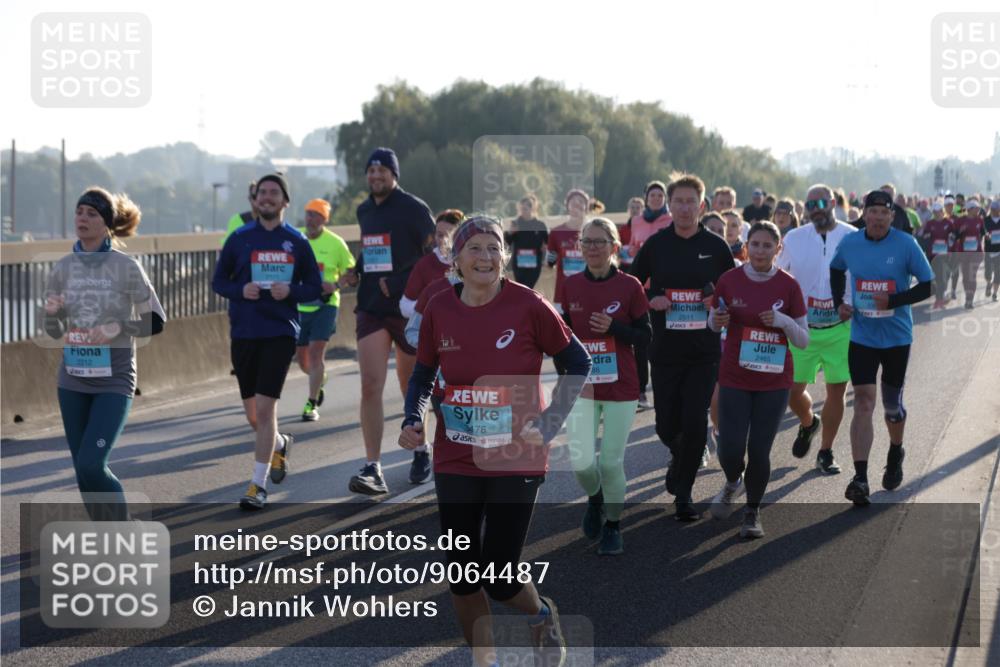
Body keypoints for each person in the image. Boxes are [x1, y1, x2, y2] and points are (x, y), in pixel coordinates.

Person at [400, 216, 589, 667]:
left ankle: (541, 614)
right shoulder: (441, 308)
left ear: (504, 257)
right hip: (457, 452)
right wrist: (414, 417)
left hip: (517, 451)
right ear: (456, 259)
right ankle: (484, 660)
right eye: (475, 249)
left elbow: (577, 362)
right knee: (463, 572)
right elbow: (424, 371)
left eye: (493, 249)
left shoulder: (529, 305)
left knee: (500, 574)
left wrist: (549, 422)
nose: (485, 257)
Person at [43, 187, 166, 521]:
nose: (82, 218)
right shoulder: (63, 267)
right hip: (72, 379)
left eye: (92, 213)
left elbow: (156, 321)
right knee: (83, 470)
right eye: (79, 211)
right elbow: (53, 331)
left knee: (92, 462)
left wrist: (118, 328)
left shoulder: (126, 267)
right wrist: (53, 313)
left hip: (114, 379)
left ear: (107, 223)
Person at [212, 173, 322, 509]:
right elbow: (219, 281)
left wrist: (291, 291)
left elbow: (314, 288)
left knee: (265, 407)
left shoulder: (297, 242)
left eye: (275, 193)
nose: (268, 198)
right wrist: (238, 290)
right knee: (254, 416)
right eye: (263, 193)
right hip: (244, 332)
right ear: (255, 199)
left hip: (279, 331)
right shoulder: (240, 238)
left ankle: (257, 486)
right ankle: (279, 443)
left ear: (285, 201)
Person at [631, 173, 736, 521]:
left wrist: (716, 301)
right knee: (666, 425)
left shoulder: (717, 247)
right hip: (664, 350)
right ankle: (679, 454)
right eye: (679, 201)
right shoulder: (657, 244)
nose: (685, 208)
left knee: (694, 423)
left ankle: (685, 494)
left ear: (702, 206)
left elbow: (732, 294)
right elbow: (632, 286)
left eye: (692, 201)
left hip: (704, 351)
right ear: (669, 206)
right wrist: (652, 299)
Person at [339, 148, 437, 494]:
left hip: (407, 307)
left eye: (382, 170)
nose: (376, 175)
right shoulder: (365, 210)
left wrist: (399, 283)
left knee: (411, 382)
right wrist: (357, 270)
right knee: (370, 384)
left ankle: (421, 450)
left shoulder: (414, 209)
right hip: (371, 306)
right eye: (371, 170)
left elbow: (434, 256)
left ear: (394, 175)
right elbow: (376, 250)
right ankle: (373, 466)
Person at [830, 190, 933, 506]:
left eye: (883, 212)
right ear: (864, 214)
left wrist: (895, 300)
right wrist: (840, 304)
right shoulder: (850, 243)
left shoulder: (905, 244)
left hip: (897, 338)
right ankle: (860, 477)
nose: (877, 217)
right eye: (871, 212)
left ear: (891, 216)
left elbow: (927, 285)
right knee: (863, 400)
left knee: (891, 406)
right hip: (862, 336)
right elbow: (836, 270)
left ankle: (895, 449)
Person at [708, 221, 809, 538]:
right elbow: (713, 323)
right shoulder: (729, 280)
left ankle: (752, 512)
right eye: (756, 244)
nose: (761, 251)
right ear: (746, 247)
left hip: (774, 380)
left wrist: (781, 321)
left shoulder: (789, 285)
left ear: (778, 250)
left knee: (760, 450)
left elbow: (804, 339)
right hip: (736, 375)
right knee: (730, 449)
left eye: (768, 246)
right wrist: (718, 319)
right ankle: (731, 483)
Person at [563, 218, 651, 555]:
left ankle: (613, 525)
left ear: (615, 247)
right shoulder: (570, 287)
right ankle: (595, 499)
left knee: (611, 463)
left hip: (620, 385)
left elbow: (646, 337)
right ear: (580, 247)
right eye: (588, 241)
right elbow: (561, 340)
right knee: (583, 461)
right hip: (582, 387)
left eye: (601, 241)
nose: (594, 248)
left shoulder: (629, 286)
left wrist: (616, 328)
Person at [776, 184, 856, 475]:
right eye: (810, 205)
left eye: (821, 202)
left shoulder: (851, 235)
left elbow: (863, 273)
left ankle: (826, 451)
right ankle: (809, 422)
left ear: (833, 202)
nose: (816, 208)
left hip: (840, 327)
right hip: (803, 328)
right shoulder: (794, 238)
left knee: (837, 390)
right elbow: (777, 274)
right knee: (791, 392)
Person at [295, 198, 355, 421]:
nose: (310, 219)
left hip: (326, 305)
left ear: (324, 219)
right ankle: (319, 379)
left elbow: (352, 273)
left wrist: (336, 285)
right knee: (302, 360)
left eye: (315, 215)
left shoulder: (336, 243)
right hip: (300, 305)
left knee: (315, 352)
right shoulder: (295, 237)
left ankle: (311, 404)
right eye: (308, 214)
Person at [628, 181, 672, 410]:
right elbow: (633, 248)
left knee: (662, 341)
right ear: (646, 197)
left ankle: (664, 390)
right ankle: (641, 393)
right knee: (642, 340)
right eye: (652, 194)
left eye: (660, 194)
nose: (656, 198)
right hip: (641, 287)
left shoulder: (671, 221)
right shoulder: (636, 220)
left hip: (665, 289)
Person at [401, 209, 464, 319]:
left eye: (450, 235)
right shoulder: (425, 264)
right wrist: (432, 310)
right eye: (440, 235)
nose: (444, 240)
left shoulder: (473, 262)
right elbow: (404, 306)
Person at [546, 189, 589, 314]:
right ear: (567, 206)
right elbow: (550, 263)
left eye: (581, 201)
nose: (577, 204)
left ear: (586, 207)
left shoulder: (593, 232)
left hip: (588, 291)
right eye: (573, 201)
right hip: (563, 293)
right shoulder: (556, 233)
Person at [504, 195, 548, 288]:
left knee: (529, 288)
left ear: (532, 209)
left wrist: (546, 253)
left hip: (534, 264)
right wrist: (511, 232)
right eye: (520, 209)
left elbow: (549, 242)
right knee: (521, 288)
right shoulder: (516, 223)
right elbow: (507, 241)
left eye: (525, 209)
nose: (522, 212)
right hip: (519, 264)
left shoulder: (539, 225)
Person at [919, 201, 955, 309]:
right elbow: (924, 236)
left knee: (944, 276)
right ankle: (939, 299)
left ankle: (940, 298)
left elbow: (954, 236)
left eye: (938, 211)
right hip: (933, 254)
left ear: (942, 211)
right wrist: (926, 235)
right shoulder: (930, 224)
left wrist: (951, 238)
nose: (936, 213)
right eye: (934, 212)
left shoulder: (948, 223)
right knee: (936, 277)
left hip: (945, 254)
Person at [951, 198, 986, 309]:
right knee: (966, 277)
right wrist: (960, 231)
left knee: (972, 275)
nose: (978, 210)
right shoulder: (960, 221)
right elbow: (954, 236)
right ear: (970, 209)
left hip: (976, 253)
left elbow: (983, 233)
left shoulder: (980, 220)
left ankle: (970, 300)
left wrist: (985, 237)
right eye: (976, 208)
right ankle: (967, 296)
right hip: (963, 253)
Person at [220, 180, 259, 245]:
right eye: (255, 196)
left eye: (262, 195)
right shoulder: (237, 220)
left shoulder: (273, 223)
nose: (259, 199)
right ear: (249, 199)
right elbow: (229, 247)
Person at [985, 199, 1000, 301]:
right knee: (988, 273)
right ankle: (989, 284)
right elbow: (982, 232)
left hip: (999, 251)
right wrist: (985, 236)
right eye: (993, 209)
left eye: (996, 209)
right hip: (989, 250)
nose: (994, 211)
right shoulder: (986, 220)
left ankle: (995, 294)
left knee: (998, 274)